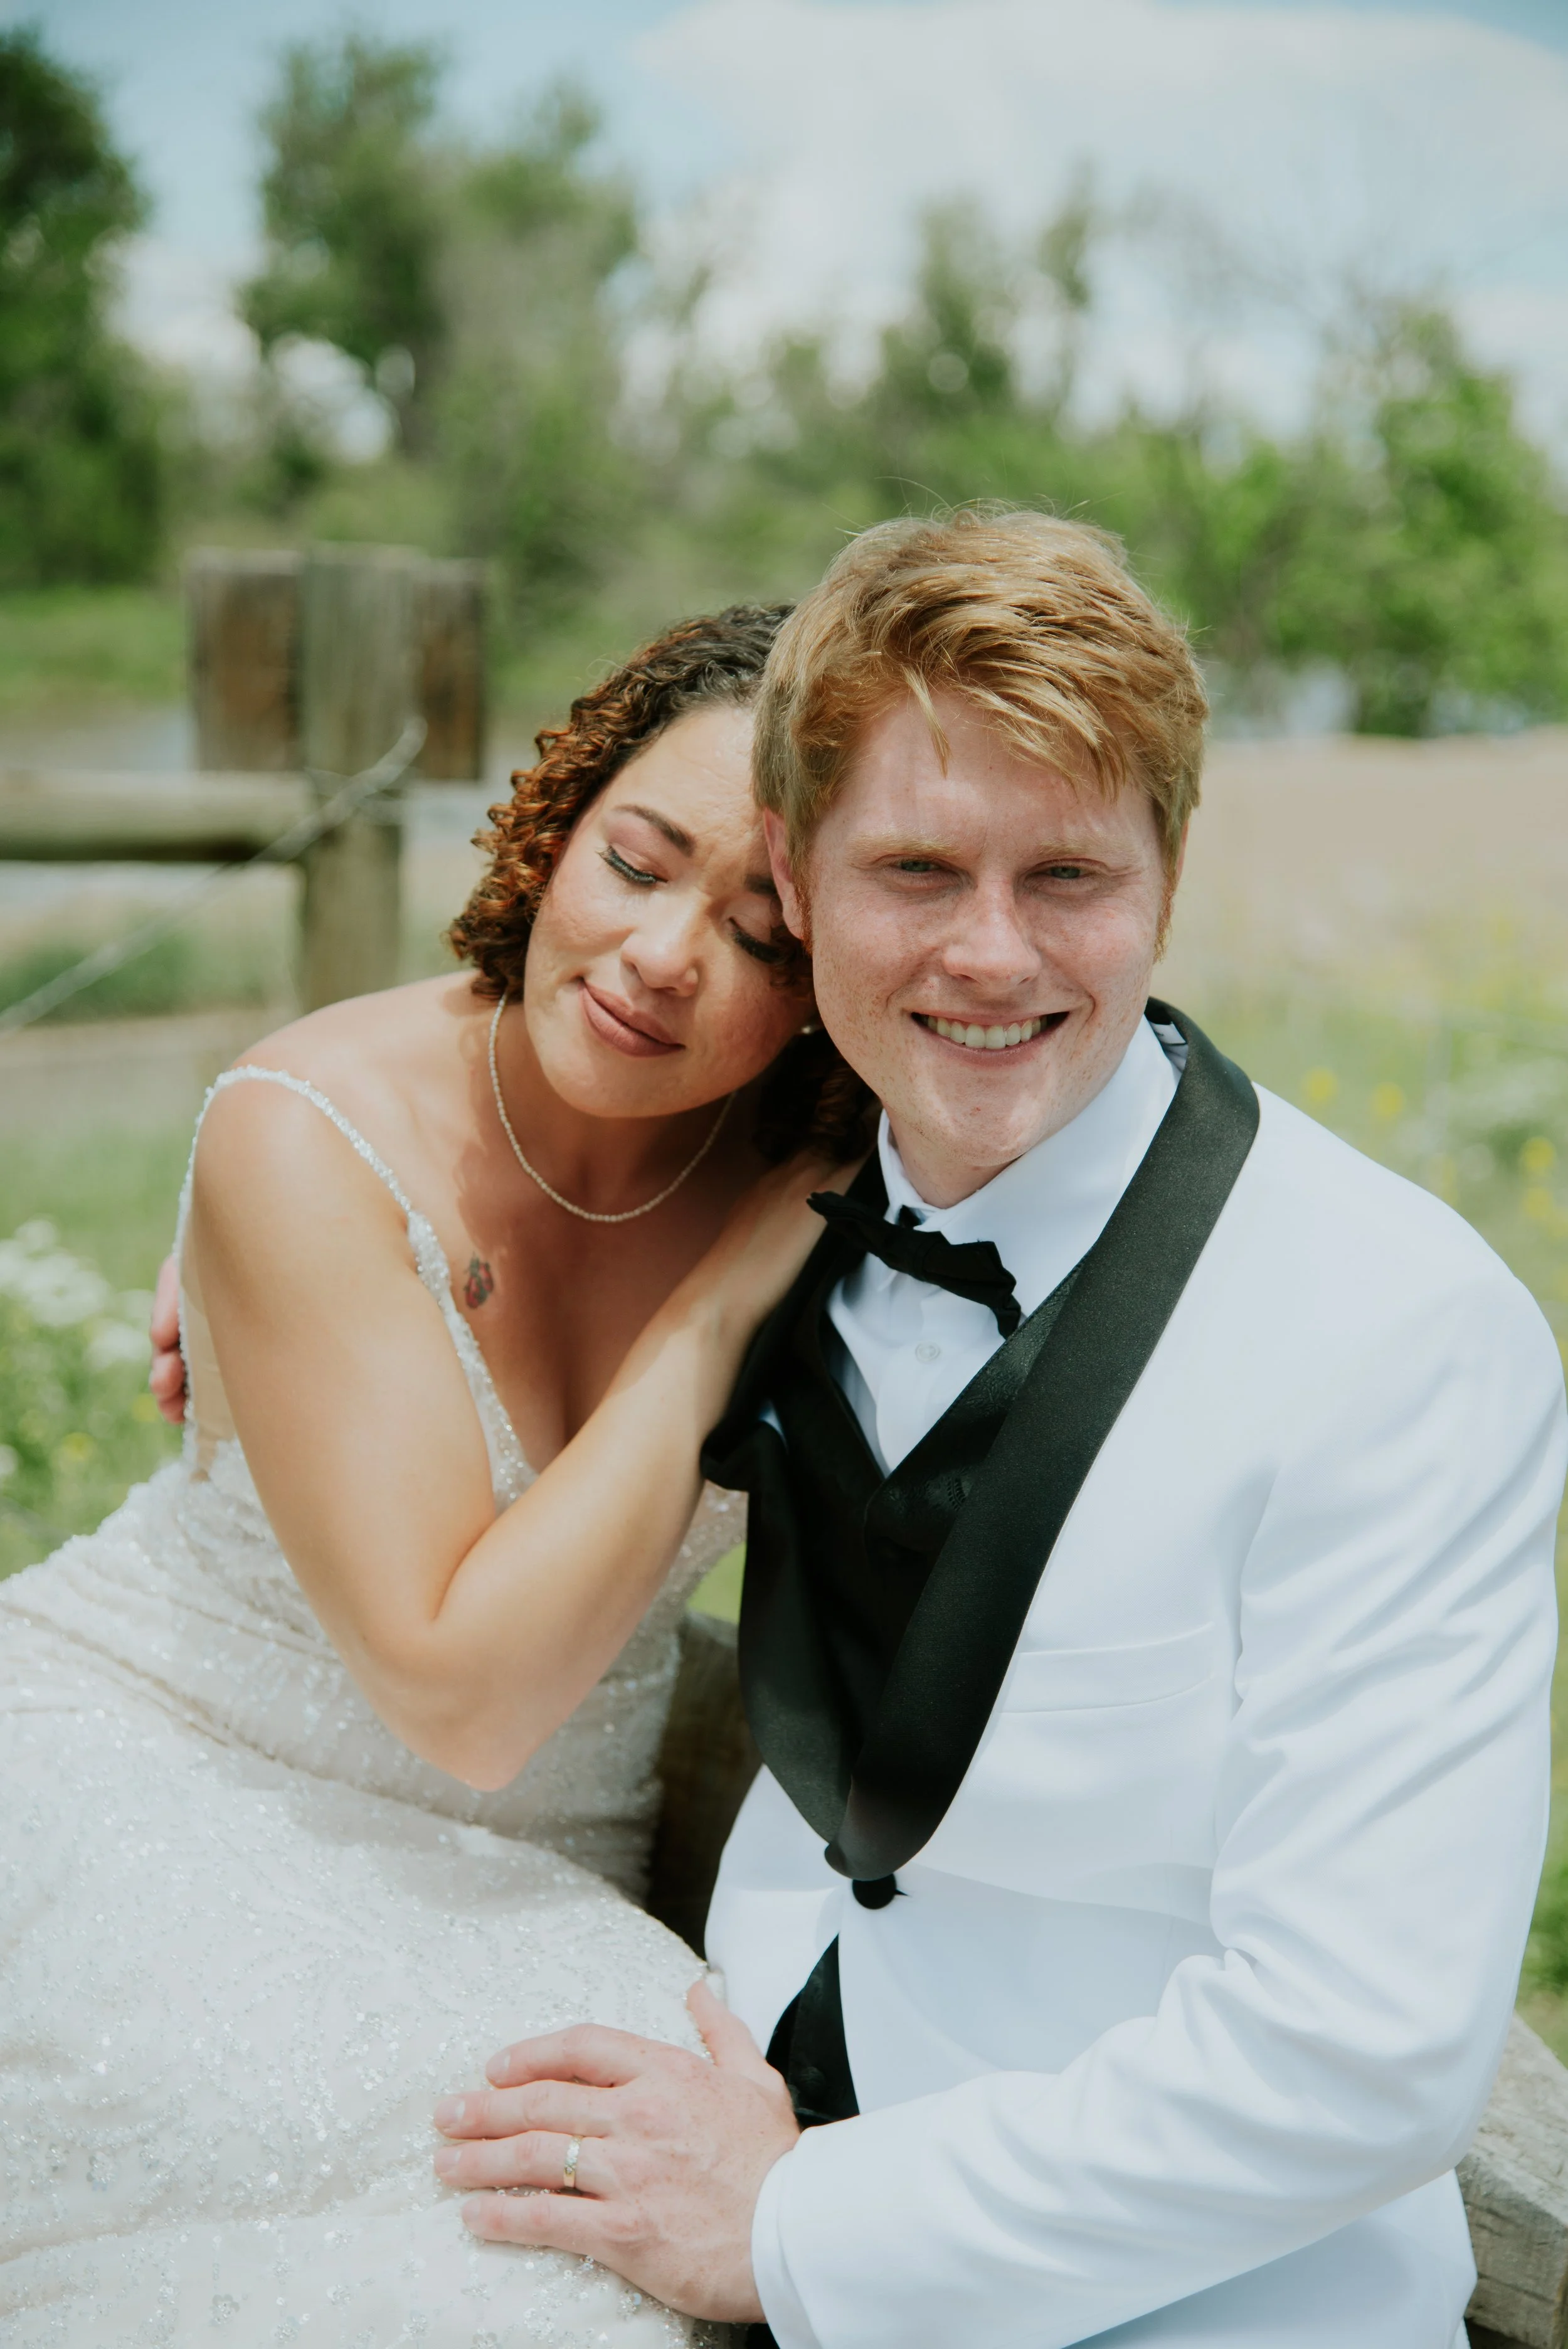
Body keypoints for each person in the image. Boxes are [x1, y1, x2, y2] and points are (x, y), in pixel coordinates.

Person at [430, 510, 1568, 2349]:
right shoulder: (759, 1190)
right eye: (915, 868)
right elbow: (475, 1133)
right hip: (733, 2135)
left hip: (1204, 2308)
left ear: (1167, 881)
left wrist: (798, 2226)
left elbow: (1359, 2051)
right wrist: (243, 1236)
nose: (987, 954)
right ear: (791, 877)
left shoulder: (1397, 1337)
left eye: (1066, 876)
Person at [0, 605, 871, 2346]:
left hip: (538, 1879)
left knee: (617, 2243)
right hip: (163, 1766)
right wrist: (722, 1310)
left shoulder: (842, 1154)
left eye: (763, 934)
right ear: (557, 821)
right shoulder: (317, 1127)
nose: (658, 957)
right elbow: (463, 1705)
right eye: (633, 861)